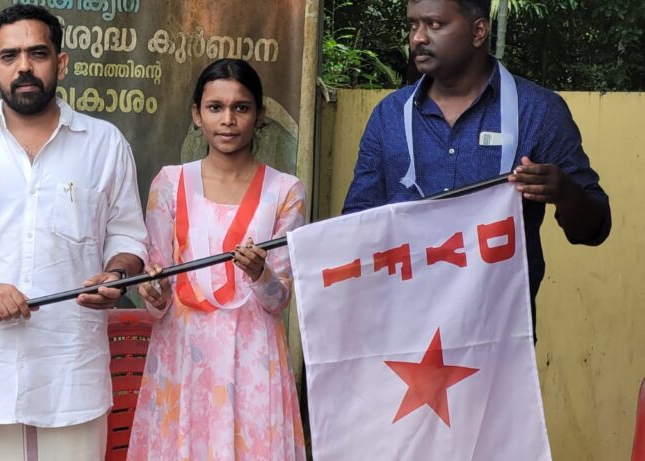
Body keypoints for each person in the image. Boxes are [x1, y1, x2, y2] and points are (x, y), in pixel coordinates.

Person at [0, 5, 147, 460]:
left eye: (37, 53)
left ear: (61, 63)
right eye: (10, 55)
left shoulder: (105, 145)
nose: (24, 66)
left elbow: (127, 238)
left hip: (71, 375)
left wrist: (117, 274)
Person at [342, 0, 610, 332]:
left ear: (478, 31)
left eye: (434, 25)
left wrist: (566, 193)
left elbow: (595, 229)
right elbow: (354, 228)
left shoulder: (538, 112)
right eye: (413, 25)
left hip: (498, 339)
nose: (417, 38)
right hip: (402, 336)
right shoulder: (389, 116)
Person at [127, 58, 307, 460]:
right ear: (197, 114)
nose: (228, 120)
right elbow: (157, 289)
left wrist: (260, 274)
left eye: (241, 107)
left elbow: (278, 299)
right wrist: (154, 291)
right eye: (215, 107)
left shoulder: (285, 191)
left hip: (252, 355)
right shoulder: (170, 183)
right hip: (183, 354)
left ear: (260, 115)